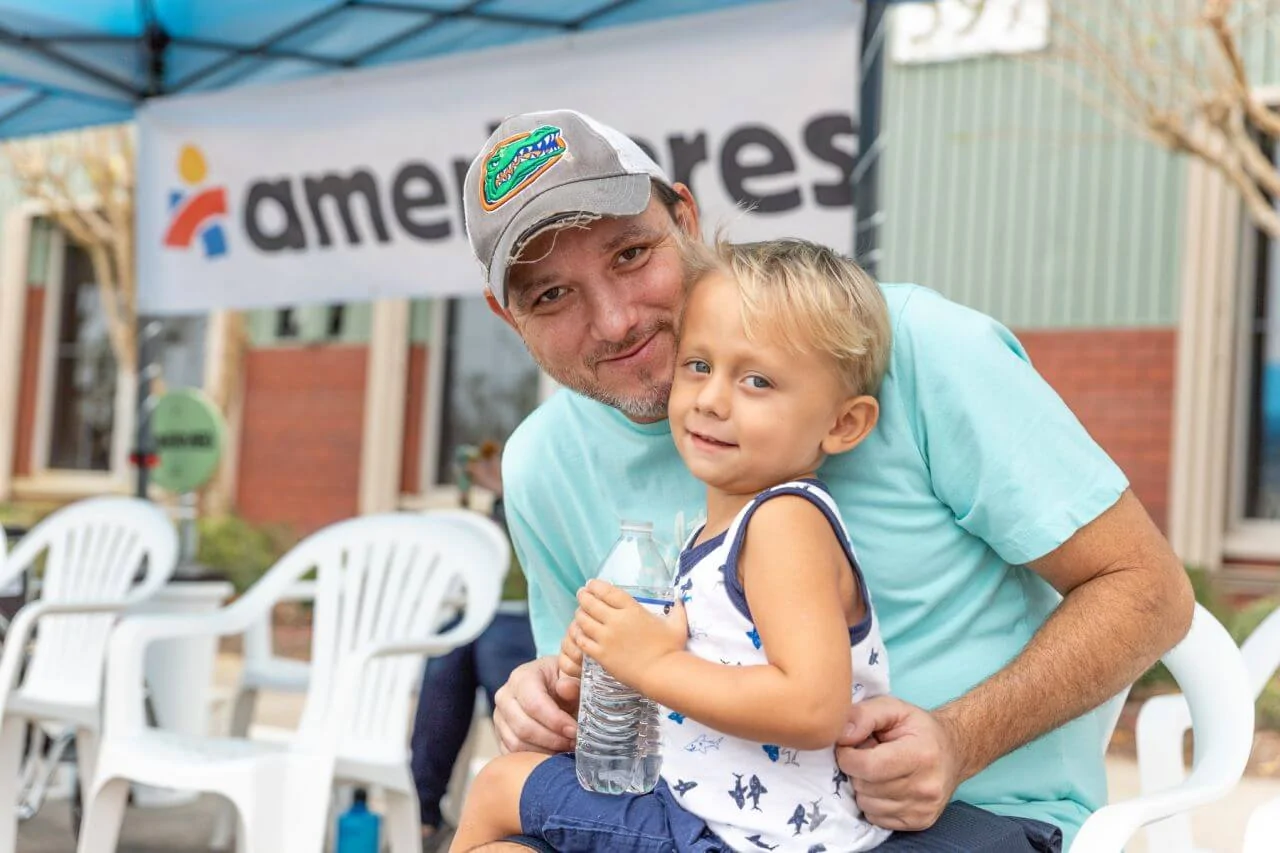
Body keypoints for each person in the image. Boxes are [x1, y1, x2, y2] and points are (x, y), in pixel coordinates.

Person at [459, 109, 1194, 851]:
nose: (615, 320)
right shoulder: (542, 461)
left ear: (684, 217)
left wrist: (959, 737)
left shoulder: (916, 347)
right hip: (713, 818)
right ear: (506, 315)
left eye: (630, 255)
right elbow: (616, 691)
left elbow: (1147, 587)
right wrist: (546, 698)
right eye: (551, 295)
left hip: (964, 816)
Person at [452, 239, 896, 853]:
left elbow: (813, 706)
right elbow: (718, 661)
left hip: (749, 836)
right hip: (715, 817)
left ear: (843, 424)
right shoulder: (720, 533)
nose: (712, 399)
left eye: (758, 380)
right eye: (698, 366)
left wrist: (653, 664)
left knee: (502, 786)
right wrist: (607, 653)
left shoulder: (784, 522)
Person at [410, 446, 536, 852]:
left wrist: (508, 490)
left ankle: (523, 805)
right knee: (450, 649)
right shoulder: (502, 508)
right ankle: (423, 813)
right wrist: (499, 495)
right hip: (496, 618)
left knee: (490, 647)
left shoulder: (558, 483)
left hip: (540, 621)